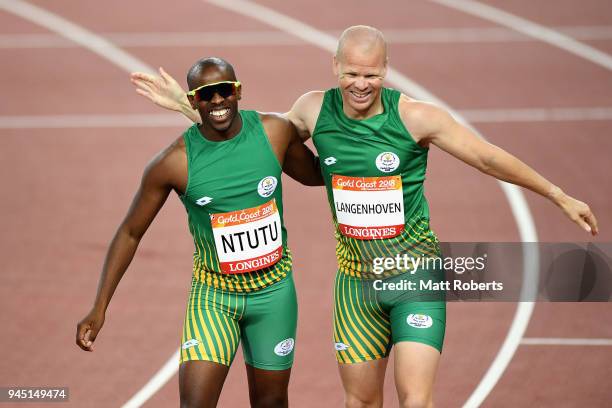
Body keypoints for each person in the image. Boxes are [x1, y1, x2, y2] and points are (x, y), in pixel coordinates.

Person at [130, 26, 598, 408]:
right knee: (361, 403)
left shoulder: (416, 118)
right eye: (351, 72)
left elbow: (487, 158)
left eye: (371, 75)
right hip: (355, 286)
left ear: (386, 72)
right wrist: (184, 106)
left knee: (415, 400)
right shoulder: (313, 109)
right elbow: (250, 141)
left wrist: (558, 195)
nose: (360, 83)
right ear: (336, 67)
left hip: (414, 276)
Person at [77, 57, 323, 408]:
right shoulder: (174, 163)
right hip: (214, 298)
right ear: (193, 101)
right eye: (207, 95)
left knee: (271, 402)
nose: (218, 101)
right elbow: (130, 233)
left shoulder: (275, 132)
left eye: (225, 91)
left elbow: (317, 174)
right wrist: (99, 307)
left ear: (238, 92)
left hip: (274, 295)